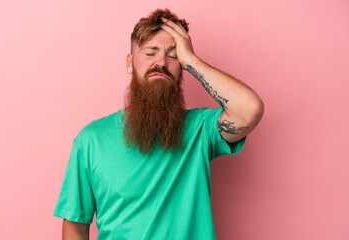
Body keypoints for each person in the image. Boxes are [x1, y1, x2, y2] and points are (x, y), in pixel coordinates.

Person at [54, 8, 264, 240]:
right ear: (130, 62)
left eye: (173, 56)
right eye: (150, 53)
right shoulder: (91, 140)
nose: (161, 62)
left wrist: (191, 59)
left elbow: (249, 109)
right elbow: (75, 226)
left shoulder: (200, 130)